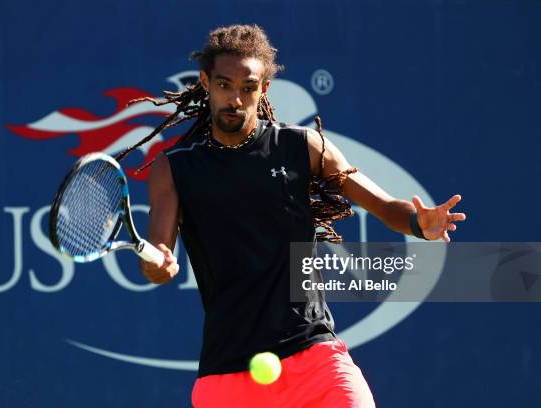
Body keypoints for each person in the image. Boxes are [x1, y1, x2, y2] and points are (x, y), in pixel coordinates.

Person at [133, 24, 466, 408]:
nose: (235, 100)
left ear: (264, 90)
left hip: (315, 358)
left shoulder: (302, 147)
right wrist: (158, 263)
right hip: (228, 375)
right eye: (224, 85)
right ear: (206, 82)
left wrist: (417, 223)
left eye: (247, 88)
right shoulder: (174, 168)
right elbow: (160, 247)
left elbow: (383, 205)